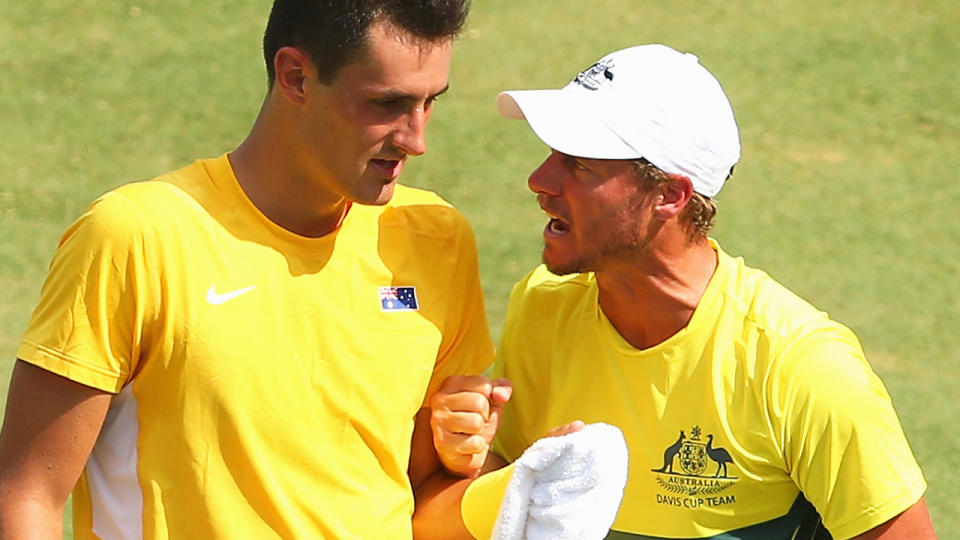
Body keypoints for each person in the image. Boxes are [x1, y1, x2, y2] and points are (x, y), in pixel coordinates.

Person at [0, 1, 496, 538]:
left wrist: (475, 457)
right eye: (387, 103)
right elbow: (28, 495)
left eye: (429, 103)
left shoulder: (436, 237)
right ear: (296, 77)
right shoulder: (136, 238)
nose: (416, 139)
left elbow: (423, 493)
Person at [418, 44, 937, 539]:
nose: (539, 179)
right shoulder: (543, 305)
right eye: (552, 154)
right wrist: (471, 456)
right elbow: (499, 509)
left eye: (580, 164)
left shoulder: (803, 366)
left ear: (669, 194)